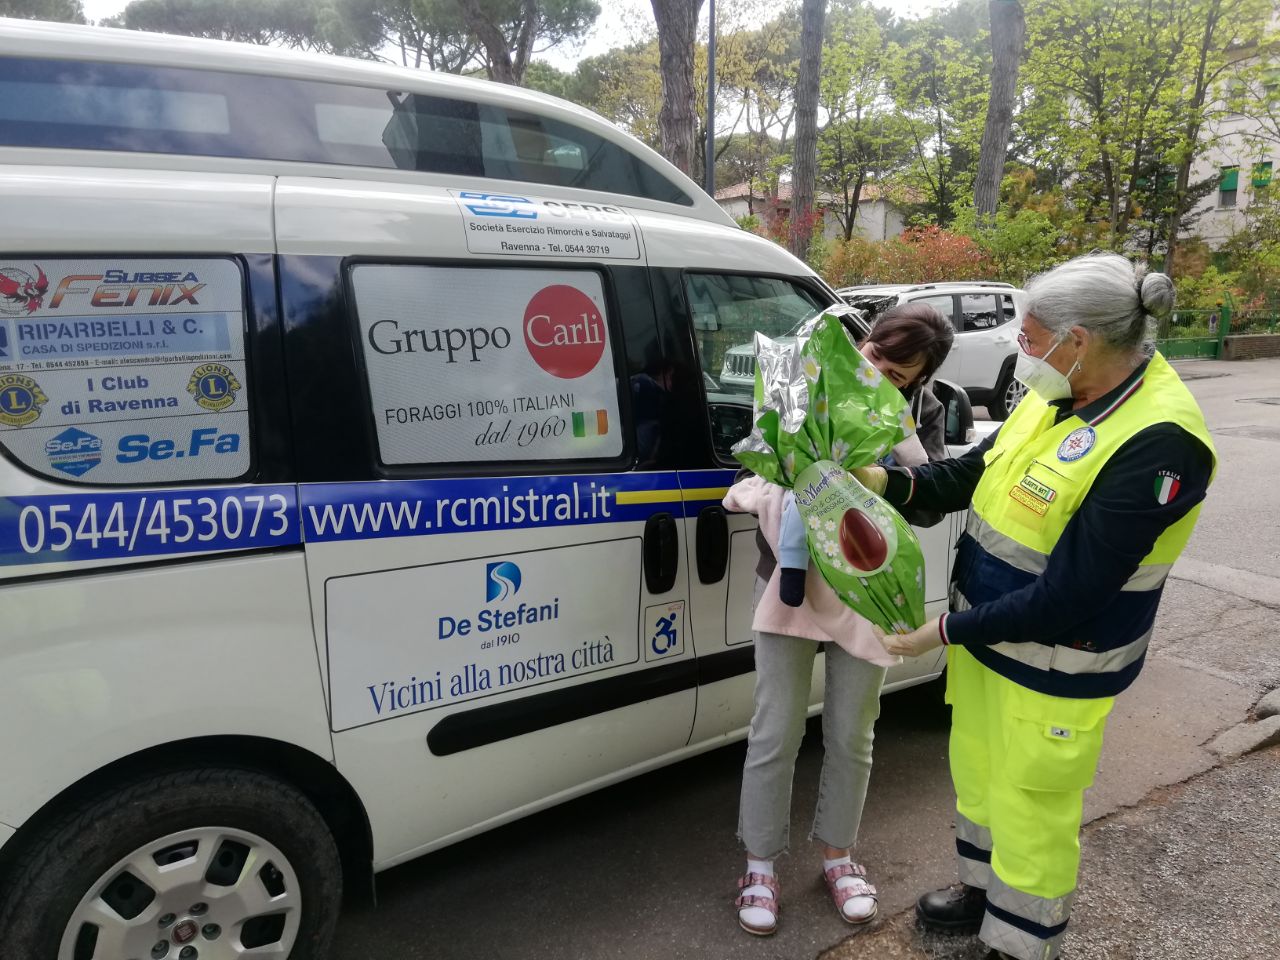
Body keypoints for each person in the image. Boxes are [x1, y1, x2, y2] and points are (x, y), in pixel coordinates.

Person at [857, 254, 1217, 960]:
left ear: (1075, 340)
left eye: (1026, 337)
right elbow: (972, 474)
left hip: (1059, 662)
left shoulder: (1160, 442)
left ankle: (1024, 940)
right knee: (983, 780)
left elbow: (1073, 594)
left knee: (1034, 802)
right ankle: (984, 895)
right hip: (992, 643)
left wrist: (940, 631)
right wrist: (883, 480)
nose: (1019, 351)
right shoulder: (1058, 395)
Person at [724, 303, 955, 936]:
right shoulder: (807, 375)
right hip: (789, 583)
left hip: (866, 587)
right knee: (774, 730)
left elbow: (930, 500)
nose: (880, 373)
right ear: (866, 341)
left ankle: (839, 857)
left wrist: (875, 478)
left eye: (900, 371)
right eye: (876, 356)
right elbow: (763, 459)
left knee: (854, 732)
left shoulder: (921, 414)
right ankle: (760, 864)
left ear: (922, 376)